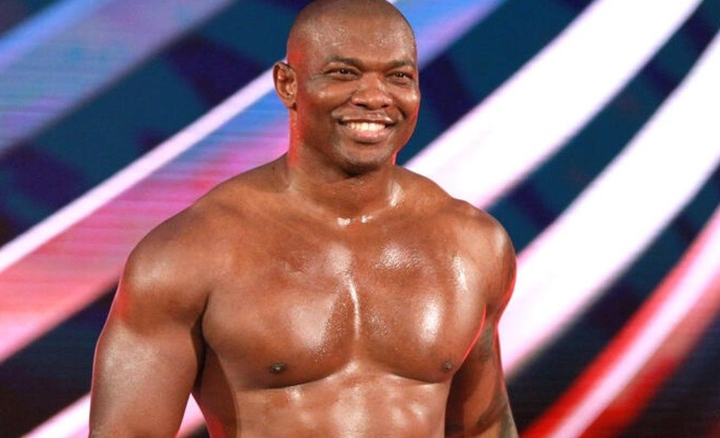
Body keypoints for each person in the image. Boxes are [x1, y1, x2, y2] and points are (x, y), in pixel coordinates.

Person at [89, 0, 518, 436]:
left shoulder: (472, 245)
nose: (375, 96)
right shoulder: (189, 253)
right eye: (344, 73)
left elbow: (484, 426)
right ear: (287, 84)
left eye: (398, 76)